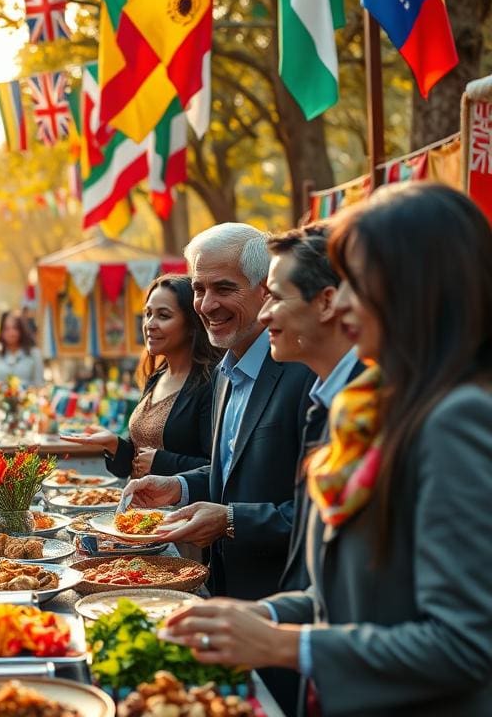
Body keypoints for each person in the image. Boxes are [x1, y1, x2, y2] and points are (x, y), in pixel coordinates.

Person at [162, 183, 492, 716]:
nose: (344, 304)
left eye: (358, 283)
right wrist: (259, 618)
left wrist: (282, 644)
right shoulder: (376, 405)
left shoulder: (457, 419)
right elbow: (347, 596)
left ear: (418, 287)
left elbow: (465, 644)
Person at [122, 223, 313, 601]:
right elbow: (233, 469)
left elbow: (316, 514)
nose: (206, 305)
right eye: (198, 289)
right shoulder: (224, 373)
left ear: (266, 291)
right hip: (226, 591)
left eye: (224, 288)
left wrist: (229, 520)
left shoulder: (305, 373)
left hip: (284, 604)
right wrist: (180, 485)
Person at [259, 224, 364, 594]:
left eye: (275, 298)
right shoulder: (324, 399)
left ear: (326, 302)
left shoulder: (377, 405)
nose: (263, 315)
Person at [61, 274, 220, 479]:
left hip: (182, 510)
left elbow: (217, 470)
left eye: (163, 315)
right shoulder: (156, 377)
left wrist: (161, 462)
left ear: (191, 325)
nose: (150, 324)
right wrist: (114, 444)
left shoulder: (210, 384)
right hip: (139, 509)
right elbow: (135, 463)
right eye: (148, 314)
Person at [0, 310, 44, 387]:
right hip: (1, 397)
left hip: (28, 397)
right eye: (6, 329)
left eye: (15, 328)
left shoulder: (34, 353)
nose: (11, 333)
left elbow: (39, 384)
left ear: (21, 330)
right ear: (1, 331)